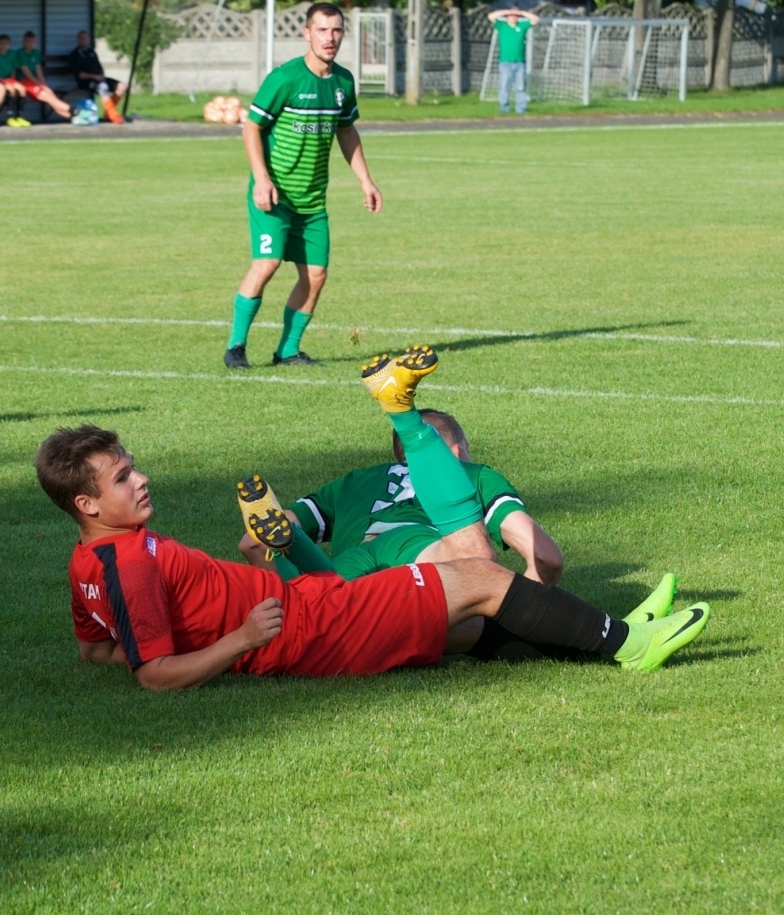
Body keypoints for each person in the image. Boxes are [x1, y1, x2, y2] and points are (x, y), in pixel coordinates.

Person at [36, 346, 709, 690]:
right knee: (478, 574)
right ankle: (631, 644)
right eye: (123, 477)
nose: (141, 478)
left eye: (133, 466)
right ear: (86, 504)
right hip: (309, 626)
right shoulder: (128, 563)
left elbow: (96, 650)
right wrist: (239, 641)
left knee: (465, 631)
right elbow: (152, 676)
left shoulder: (89, 562)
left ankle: (613, 634)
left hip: (313, 598)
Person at [235, 408, 572, 590]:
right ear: (456, 451)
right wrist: (519, 608)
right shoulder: (470, 473)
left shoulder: (355, 481)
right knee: (475, 568)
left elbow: (258, 538)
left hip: (355, 556)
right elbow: (545, 557)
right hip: (419, 551)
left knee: (318, 605)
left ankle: (298, 576)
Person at [223, 1, 382, 370]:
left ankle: (288, 351)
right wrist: (262, 179)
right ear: (307, 33)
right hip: (274, 195)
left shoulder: (343, 82)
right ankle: (236, 347)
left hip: (312, 201)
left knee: (316, 275)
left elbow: (346, 130)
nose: (330, 38)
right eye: (322, 30)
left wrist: (366, 181)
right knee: (267, 263)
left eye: (336, 30)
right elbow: (252, 127)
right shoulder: (285, 79)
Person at [487, 6, 539, 115]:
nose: (513, 17)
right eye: (511, 16)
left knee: (520, 87)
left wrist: (521, 12)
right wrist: (507, 11)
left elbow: (535, 19)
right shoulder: (502, 26)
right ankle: (504, 108)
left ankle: (520, 109)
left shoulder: (522, 26)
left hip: (519, 62)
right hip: (505, 62)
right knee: (504, 86)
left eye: (515, 16)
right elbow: (491, 16)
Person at [16, 31, 73, 121]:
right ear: (24, 42)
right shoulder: (20, 53)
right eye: (28, 41)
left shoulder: (36, 53)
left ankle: (71, 116)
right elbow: (27, 74)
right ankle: (73, 110)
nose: (30, 44)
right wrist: (40, 85)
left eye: (32, 42)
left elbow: (39, 71)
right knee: (45, 95)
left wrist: (44, 84)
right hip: (24, 81)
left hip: (34, 82)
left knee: (49, 93)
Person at [0, 35, 31, 126]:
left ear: (9, 44)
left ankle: (19, 116)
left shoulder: (12, 54)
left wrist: (12, 80)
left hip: (8, 79)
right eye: (1, 44)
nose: (4, 46)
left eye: (6, 44)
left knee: (22, 89)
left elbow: (13, 69)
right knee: (11, 90)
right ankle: (10, 117)